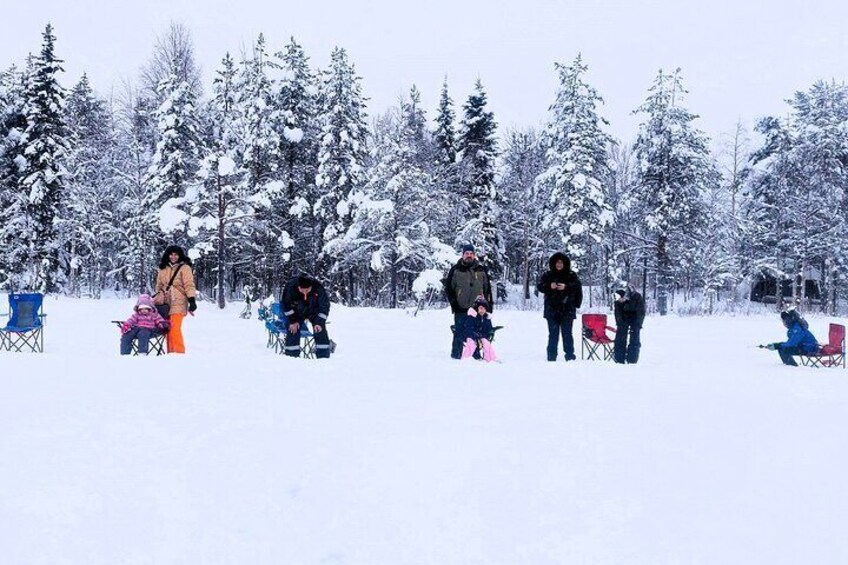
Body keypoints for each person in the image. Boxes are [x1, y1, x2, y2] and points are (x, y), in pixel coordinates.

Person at [444, 244, 493, 359]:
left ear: (474, 255)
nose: (469, 256)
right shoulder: (455, 269)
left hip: (477, 309)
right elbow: (448, 288)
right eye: (467, 253)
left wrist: (489, 307)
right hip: (460, 307)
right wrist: (454, 303)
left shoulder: (481, 270)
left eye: (471, 253)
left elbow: (487, 289)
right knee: (459, 332)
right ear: (463, 254)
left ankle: (476, 356)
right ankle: (456, 356)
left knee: (476, 333)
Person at [536, 252, 583, 361]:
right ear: (553, 263)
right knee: (553, 334)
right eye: (557, 262)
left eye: (561, 262)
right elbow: (540, 286)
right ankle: (551, 356)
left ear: (565, 263)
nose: (559, 264)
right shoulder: (548, 275)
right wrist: (549, 286)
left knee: (567, 334)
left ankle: (570, 356)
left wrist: (566, 287)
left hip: (567, 310)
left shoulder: (571, 275)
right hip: (551, 310)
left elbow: (577, 288)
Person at [154, 245, 197, 354]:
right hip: (165, 303)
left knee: (174, 328)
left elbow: (189, 284)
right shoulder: (162, 268)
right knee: (167, 329)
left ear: (180, 255)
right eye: (171, 254)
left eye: (176, 254)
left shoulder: (185, 268)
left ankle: (179, 353)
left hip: (179, 301)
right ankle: (171, 354)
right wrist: (159, 296)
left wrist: (192, 300)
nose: (173, 257)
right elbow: (158, 285)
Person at [282, 274, 332, 359]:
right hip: (296, 312)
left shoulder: (318, 287)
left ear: (311, 287)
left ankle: (323, 357)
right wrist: (293, 321)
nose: (305, 292)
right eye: (302, 290)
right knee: (293, 329)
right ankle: (291, 356)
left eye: (307, 290)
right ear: (298, 287)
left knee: (320, 329)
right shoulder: (290, 287)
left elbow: (324, 306)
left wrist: (319, 322)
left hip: (313, 311)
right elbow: (286, 305)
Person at [613, 285, 646, 364]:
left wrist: (638, 324)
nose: (620, 300)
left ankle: (632, 359)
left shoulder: (637, 297)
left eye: (622, 299)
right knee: (620, 336)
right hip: (623, 317)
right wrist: (620, 322)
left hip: (635, 317)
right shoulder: (618, 298)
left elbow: (641, 312)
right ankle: (619, 358)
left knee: (635, 337)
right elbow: (617, 312)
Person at [459, 296, 498, 362]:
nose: (482, 310)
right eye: (480, 308)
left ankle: (489, 359)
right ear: (477, 308)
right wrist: (476, 337)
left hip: (481, 336)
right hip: (470, 336)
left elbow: (488, 329)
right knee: (472, 344)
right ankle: (465, 359)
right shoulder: (472, 317)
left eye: (484, 308)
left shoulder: (487, 318)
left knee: (486, 343)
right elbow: (468, 329)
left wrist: (485, 336)